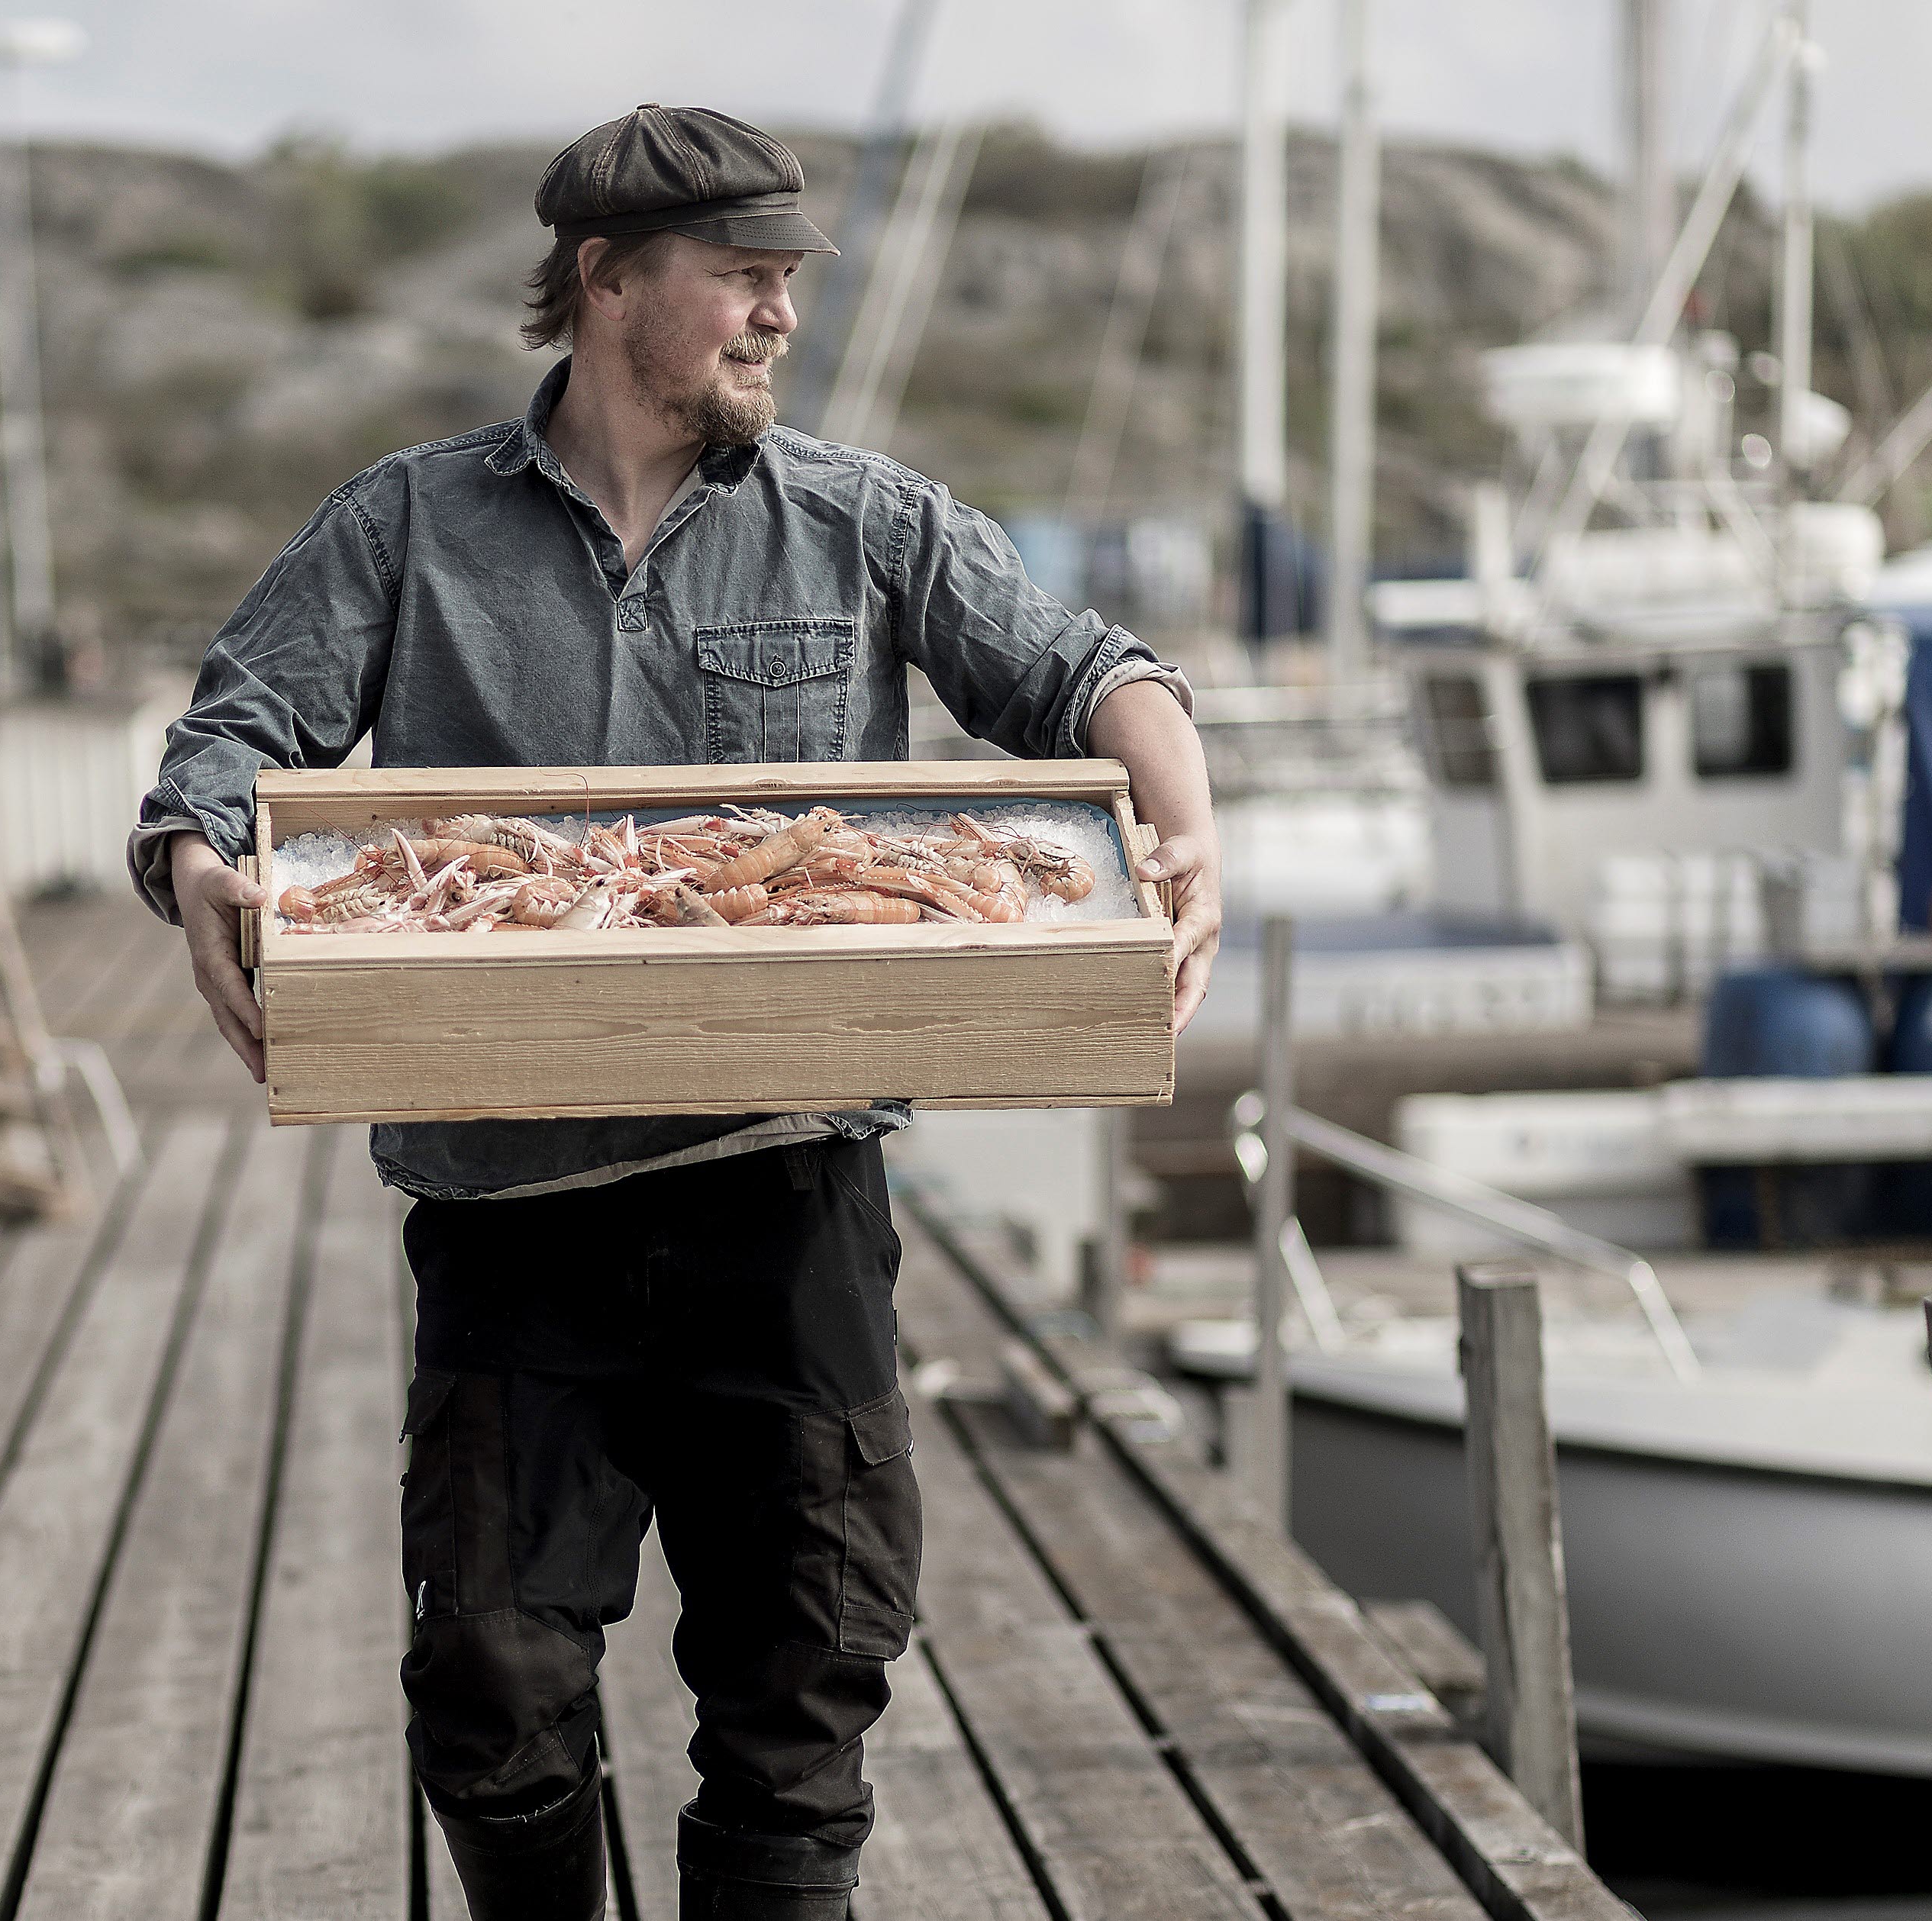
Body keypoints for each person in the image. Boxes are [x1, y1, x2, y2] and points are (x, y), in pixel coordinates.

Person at [126, 104, 1223, 1921]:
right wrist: (201, 865)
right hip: (510, 1217)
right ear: (602, 282)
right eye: (740, 276)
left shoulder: (862, 521)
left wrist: (1184, 826)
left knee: (800, 1698)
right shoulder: (405, 526)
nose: (778, 316)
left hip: (784, 1205)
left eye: (789, 280)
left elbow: (1090, 669)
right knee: (489, 1689)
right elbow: (224, 744)